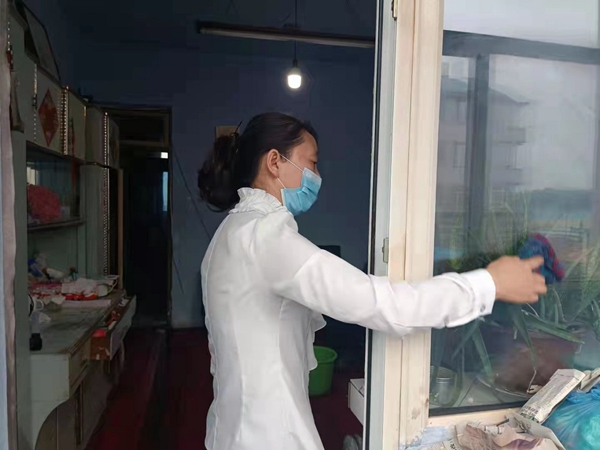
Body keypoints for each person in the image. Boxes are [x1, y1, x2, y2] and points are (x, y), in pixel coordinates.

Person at [197, 112, 546, 450]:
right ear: (275, 162)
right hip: (270, 435)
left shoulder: (229, 234)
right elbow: (384, 304)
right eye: (312, 163)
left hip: (230, 427)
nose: (317, 176)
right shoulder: (267, 238)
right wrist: (488, 284)